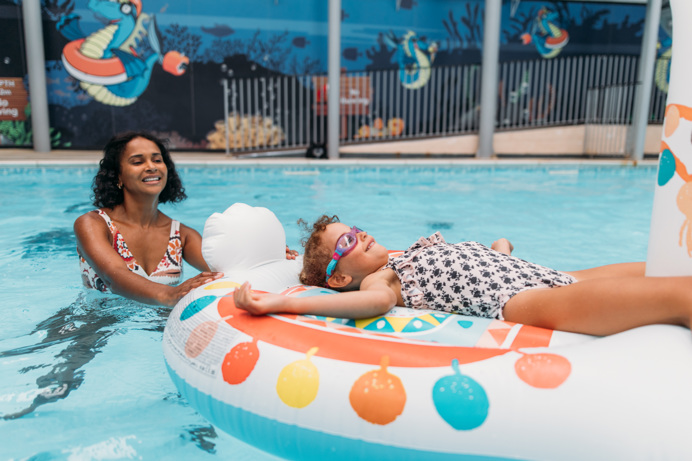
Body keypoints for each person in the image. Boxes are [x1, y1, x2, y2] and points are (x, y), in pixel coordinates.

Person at [234, 215, 692, 337]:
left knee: (670, 269)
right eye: (346, 243)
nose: (359, 235)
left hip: (546, 274)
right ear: (337, 278)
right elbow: (373, 306)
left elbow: (467, 267)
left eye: (354, 229)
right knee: (680, 297)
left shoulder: (404, 255)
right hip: (523, 301)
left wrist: (500, 251)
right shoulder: (384, 282)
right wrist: (278, 302)